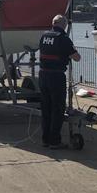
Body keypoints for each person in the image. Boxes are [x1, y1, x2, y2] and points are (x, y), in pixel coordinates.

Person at [38, 14, 80, 149]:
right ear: (64, 25)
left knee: (46, 108)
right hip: (56, 76)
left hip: (43, 74)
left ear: (53, 23)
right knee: (57, 109)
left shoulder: (44, 36)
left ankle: (45, 139)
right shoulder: (63, 39)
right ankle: (55, 141)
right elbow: (76, 57)